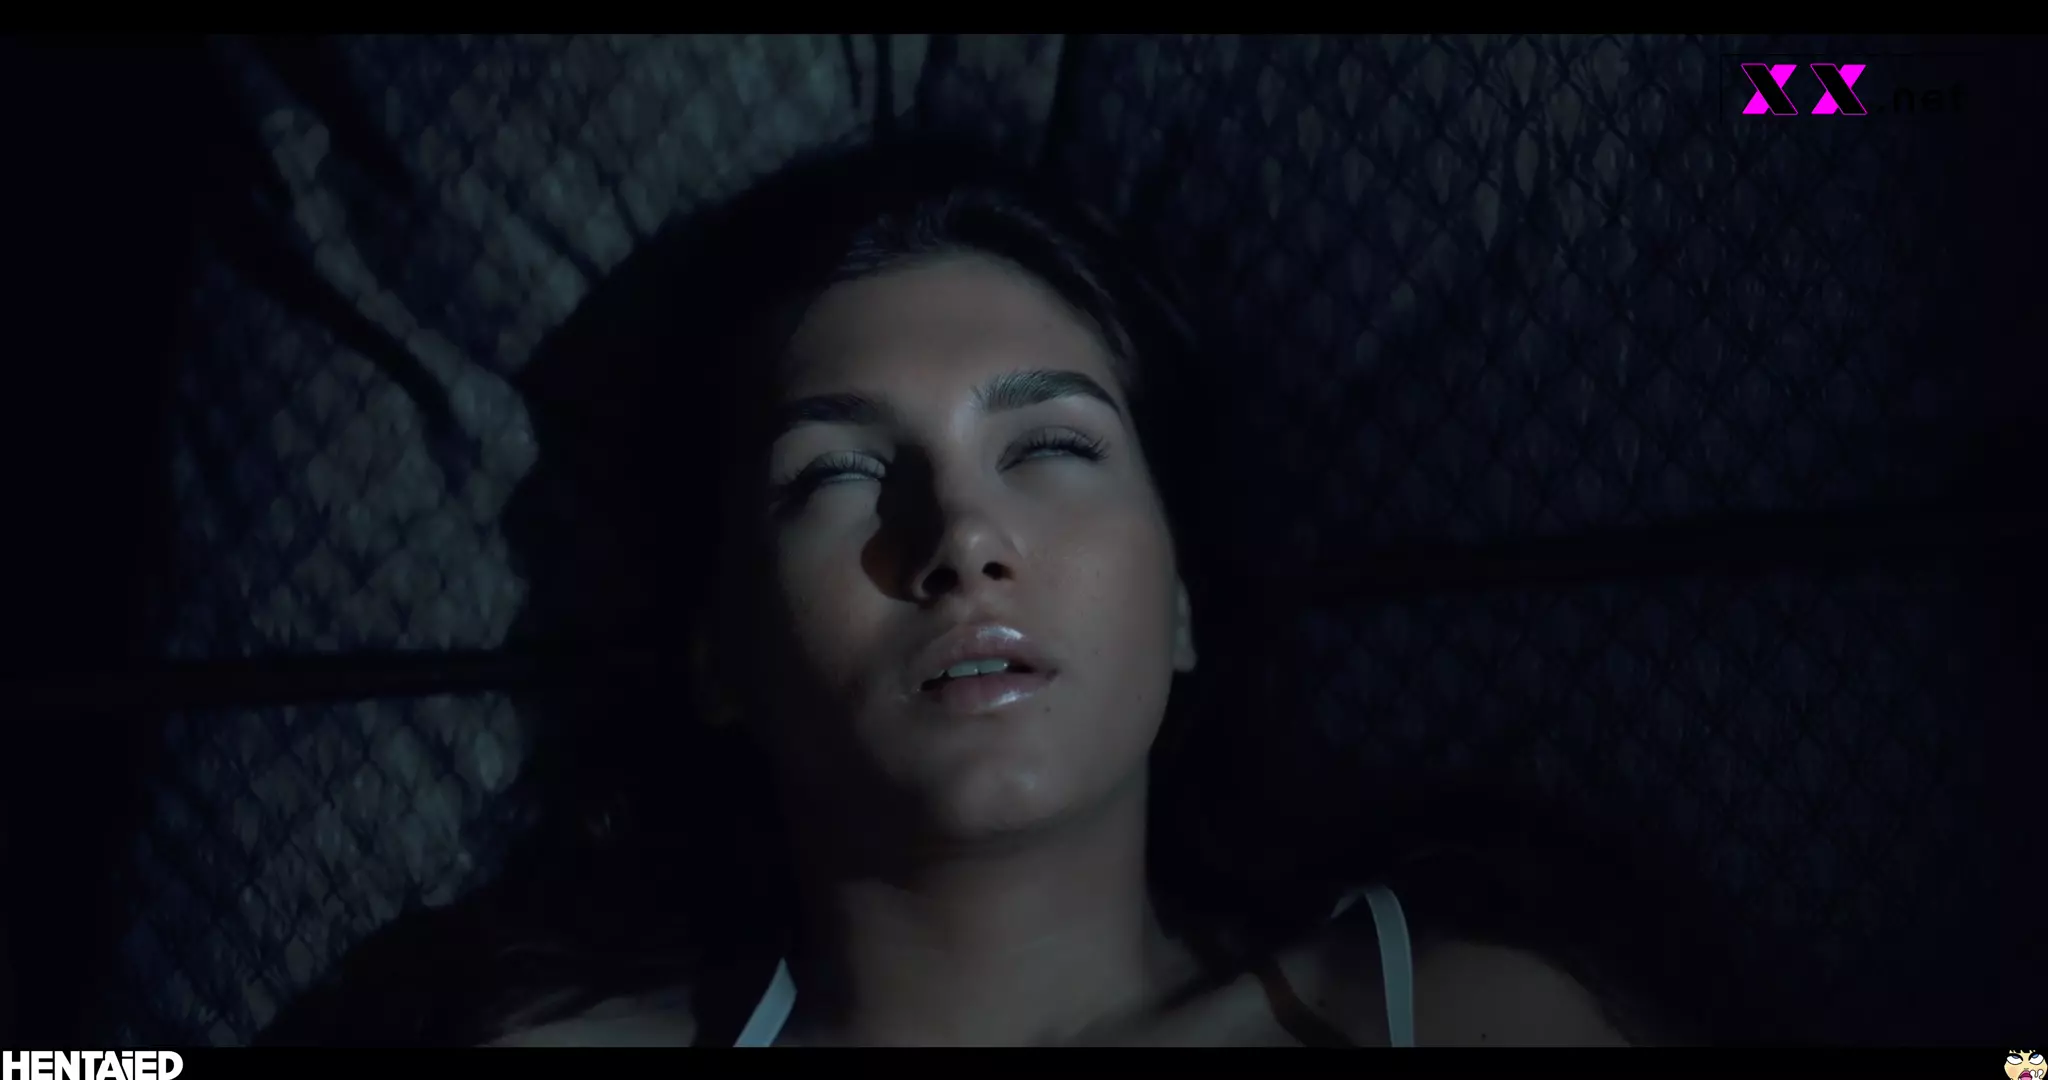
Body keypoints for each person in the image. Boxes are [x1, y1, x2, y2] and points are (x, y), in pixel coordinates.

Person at [261, 137, 1697, 1048]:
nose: (960, 537)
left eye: (1052, 447)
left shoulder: (1461, 1019)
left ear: (1183, 602)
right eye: (838, 475)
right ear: (718, 654)